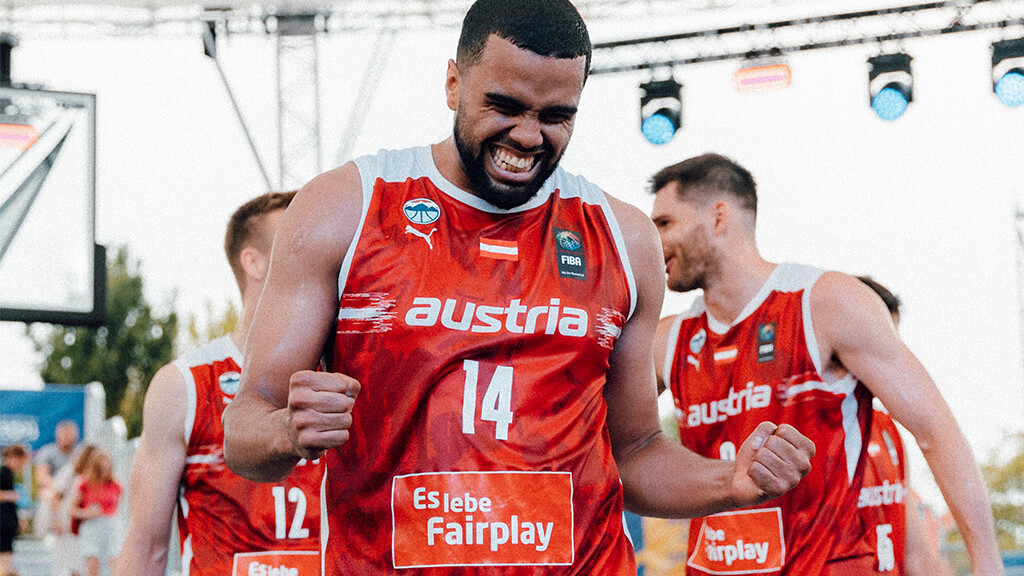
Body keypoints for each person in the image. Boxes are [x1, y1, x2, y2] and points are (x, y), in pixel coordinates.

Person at [221, 1, 815, 574]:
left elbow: (634, 452)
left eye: (556, 116)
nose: (529, 136)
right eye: (504, 106)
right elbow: (245, 430)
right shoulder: (347, 208)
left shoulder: (624, 239)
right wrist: (285, 430)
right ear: (453, 84)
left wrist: (731, 480)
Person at [650, 153, 1002, 575]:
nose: (654, 241)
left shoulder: (826, 302)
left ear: (719, 217)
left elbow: (936, 431)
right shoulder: (666, 339)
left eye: (665, 223)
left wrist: (987, 564)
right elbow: (619, 445)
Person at [116, 191, 323, 576]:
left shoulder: (350, 374)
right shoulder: (185, 385)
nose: (318, 251)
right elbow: (147, 546)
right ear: (253, 261)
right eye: (297, 239)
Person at [825, 276, 954, 576]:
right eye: (881, 342)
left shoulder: (887, 430)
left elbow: (916, 553)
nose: (891, 358)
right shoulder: (796, 428)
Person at [52, 444, 99, 576]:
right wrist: (56, 519)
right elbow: (56, 496)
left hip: (83, 521)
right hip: (68, 520)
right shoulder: (70, 472)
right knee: (71, 561)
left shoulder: (93, 476)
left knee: (81, 561)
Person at [71, 450, 121, 576]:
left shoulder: (115, 485)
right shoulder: (85, 484)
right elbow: (72, 509)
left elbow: (117, 506)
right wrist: (86, 513)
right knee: (92, 559)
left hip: (110, 525)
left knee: (115, 557)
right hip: (91, 525)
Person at [33, 420, 79, 536]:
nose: (66, 437)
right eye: (63, 433)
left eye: (69, 434)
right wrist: (58, 488)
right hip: (53, 493)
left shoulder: (79, 453)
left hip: (73, 495)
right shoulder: (48, 452)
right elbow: (41, 477)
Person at [1, 445, 30, 576]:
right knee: (5, 555)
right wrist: (10, 495)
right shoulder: (4, 473)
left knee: (7, 554)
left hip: (8, 522)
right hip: (3, 523)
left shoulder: (10, 475)